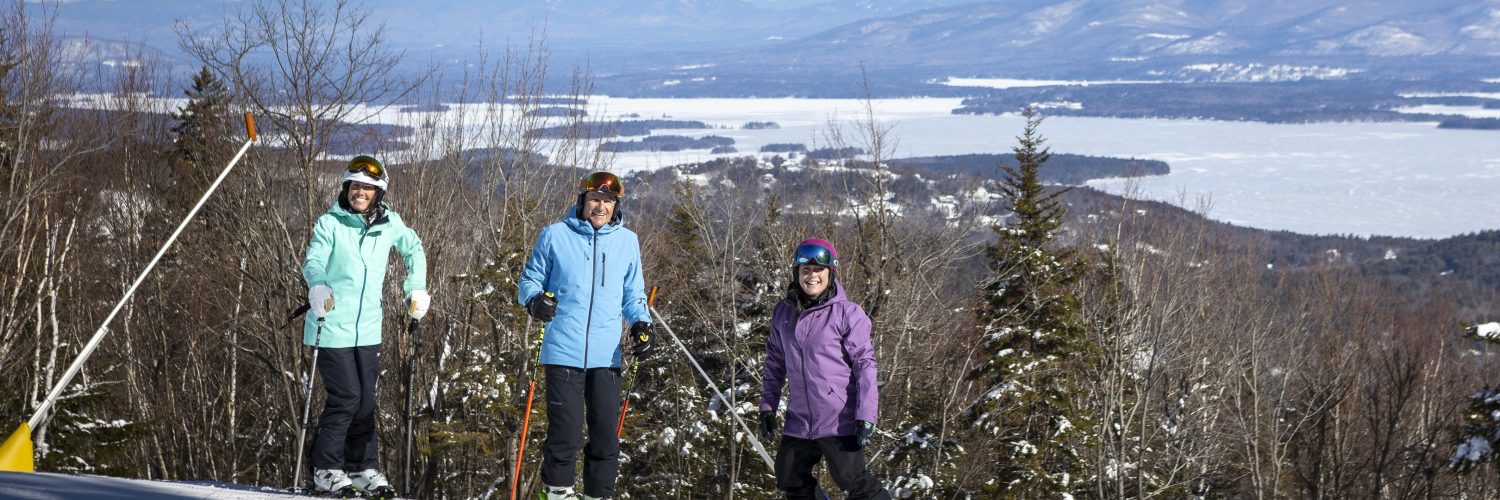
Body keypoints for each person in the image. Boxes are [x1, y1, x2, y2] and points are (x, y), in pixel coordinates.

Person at [518, 171, 655, 500]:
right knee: (565, 433)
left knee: (606, 437)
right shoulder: (554, 235)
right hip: (563, 349)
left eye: (608, 201)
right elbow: (529, 282)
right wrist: (535, 300)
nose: (601, 206)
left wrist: (641, 324)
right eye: (595, 199)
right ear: (582, 201)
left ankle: (599, 494)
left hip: (607, 355)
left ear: (615, 206)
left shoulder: (627, 241)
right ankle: (557, 492)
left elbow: (634, 295)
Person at [302, 155, 430, 497]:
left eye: (368, 188)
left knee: (366, 402)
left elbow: (413, 249)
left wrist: (415, 287)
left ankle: (361, 468)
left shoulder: (390, 223)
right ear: (347, 188)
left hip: (369, 328)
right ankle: (325, 469)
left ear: (378, 193)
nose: (361, 192)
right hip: (330, 324)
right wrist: (317, 284)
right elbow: (313, 259)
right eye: (356, 186)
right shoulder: (330, 223)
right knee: (346, 396)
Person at [760, 238, 891, 500]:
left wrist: (866, 415)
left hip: (837, 417)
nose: (812, 276)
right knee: (789, 477)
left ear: (830, 273)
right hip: (800, 418)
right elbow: (775, 361)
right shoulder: (783, 312)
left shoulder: (847, 313)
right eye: (805, 270)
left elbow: (865, 365)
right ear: (796, 273)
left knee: (853, 480)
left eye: (819, 270)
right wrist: (767, 406)